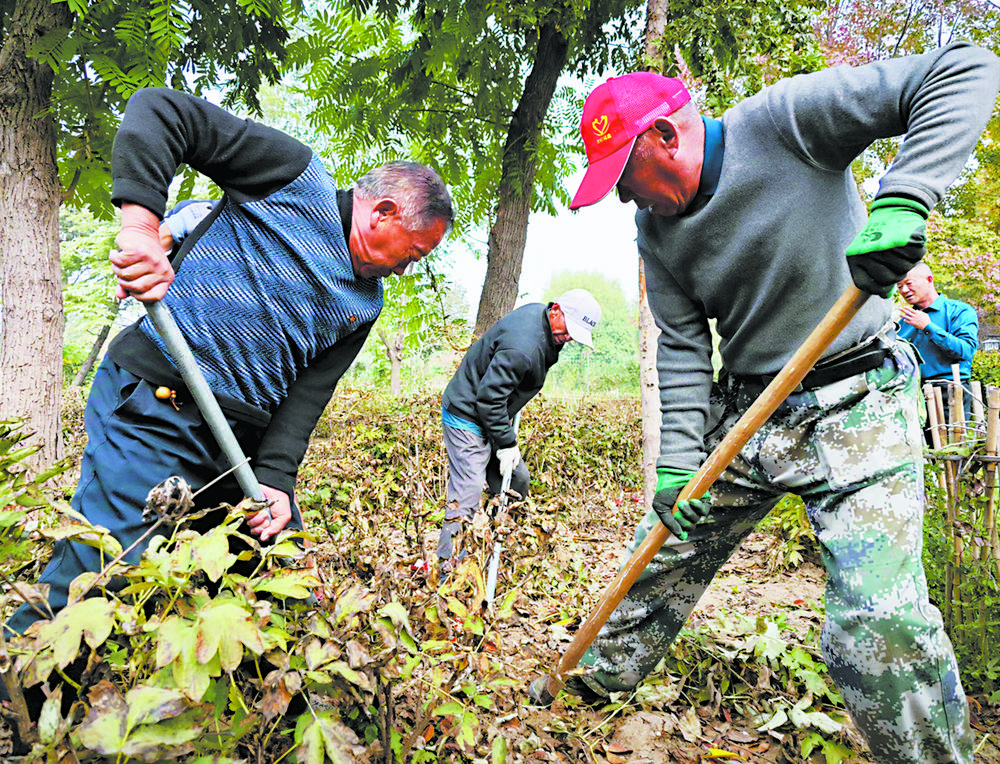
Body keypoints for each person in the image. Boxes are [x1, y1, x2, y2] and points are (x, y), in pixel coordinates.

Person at [536, 43, 1000, 764]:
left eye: (624, 178)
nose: (626, 199)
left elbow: (965, 69)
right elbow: (685, 346)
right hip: (752, 410)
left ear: (666, 134)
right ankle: (584, 698)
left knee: (881, 625)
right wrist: (677, 469)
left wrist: (906, 197)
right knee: (660, 553)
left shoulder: (786, 122)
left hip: (859, 401)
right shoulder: (656, 231)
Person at [5, 87, 454, 637]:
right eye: (412, 253)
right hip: (157, 403)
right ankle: (19, 682)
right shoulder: (293, 176)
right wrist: (142, 229)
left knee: (271, 590)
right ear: (382, 213)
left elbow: (307, 397)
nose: (406, 270)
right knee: (105, 574)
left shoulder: (365, 301)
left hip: (239, 444)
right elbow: (162, 111)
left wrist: (276, 479)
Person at [437, 289, 601, 565]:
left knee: (517, 480)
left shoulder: (542, 320)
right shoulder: (523, 347)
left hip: (492, 416)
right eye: (569, 329)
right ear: (556, 310)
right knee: (466, 496)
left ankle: (497, 545)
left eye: (576, 334)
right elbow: (489, 400)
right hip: (467, 416)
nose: (569, 338)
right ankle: (447, 576)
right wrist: (507, 444)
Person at [897, 262, 979, 429]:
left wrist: (928, 327)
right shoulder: (903, 322)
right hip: (912, 395)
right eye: (899, 286)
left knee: (951, 451)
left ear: (929, 279)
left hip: (949, 392)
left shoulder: (960, 311)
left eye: (909, 283)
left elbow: (966, 351)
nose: (904, 290)